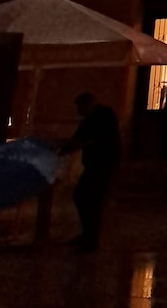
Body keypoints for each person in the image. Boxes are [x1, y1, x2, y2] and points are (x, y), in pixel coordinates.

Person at [61, 91, 121, 253]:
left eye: (80, 108)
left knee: (86, 198)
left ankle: (90, 239)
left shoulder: (97, 118)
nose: (78, 112)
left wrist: (60, 150)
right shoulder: (102, 116)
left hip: (101, 165)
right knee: (88, 199)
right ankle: (88, 236)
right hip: (101, 164)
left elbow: (78, 140)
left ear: (86, 104)